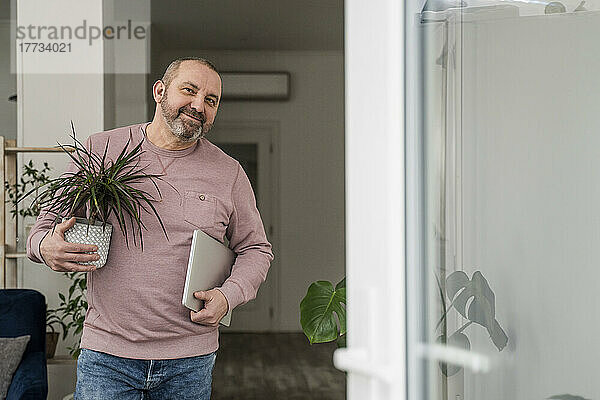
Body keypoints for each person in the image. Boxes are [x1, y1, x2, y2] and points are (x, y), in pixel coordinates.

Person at [26, 57, 274, 400]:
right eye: (189, 90)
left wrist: (228, 296)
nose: (198, 105)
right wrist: (46, 247)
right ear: (160, 91)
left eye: (211, 100)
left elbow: (256, 250)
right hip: (107, 358)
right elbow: (43, 229)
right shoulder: (102, 149)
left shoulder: (228, 172)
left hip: (190, 360)